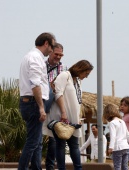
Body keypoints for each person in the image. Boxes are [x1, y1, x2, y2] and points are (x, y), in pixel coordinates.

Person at [45, 60, 93, 170]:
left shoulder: (78, 81)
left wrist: (78, 117)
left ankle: (78, 168)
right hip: (61, 116)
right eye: (86, 74)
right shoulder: (64, 76)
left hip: (73, 118)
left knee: (74, 145)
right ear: (80, 69)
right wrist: (63, 112)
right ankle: (62, 168)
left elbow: (78, 101)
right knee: (60, 145)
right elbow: (58, 93)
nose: (86, 77)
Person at [18, 32, 56, 170]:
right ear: (46, 43)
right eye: (52, 47)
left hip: (29, 102)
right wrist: (41, 107)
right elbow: (35, 84)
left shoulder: (30, 56)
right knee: (33, 142)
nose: (51, 50)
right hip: (34, 103)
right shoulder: (35, 58)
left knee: (37, 141)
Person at [43, 42, 68, 170]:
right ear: (50, 52)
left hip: (55, 107)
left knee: (53, 139)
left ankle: (50, 167)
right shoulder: (41, 65)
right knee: (36, 138)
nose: (58, 57)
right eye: (56, 54)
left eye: (60, 54)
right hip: (41, 105)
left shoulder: (64, 69)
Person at [103, 104, 129, 170]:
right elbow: (127, 134)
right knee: (125, 167)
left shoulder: (112, 123)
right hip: (125, 147)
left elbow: (113, 136)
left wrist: (111, 147)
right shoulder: (122, 121)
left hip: (118, 147)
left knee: (117, 167)